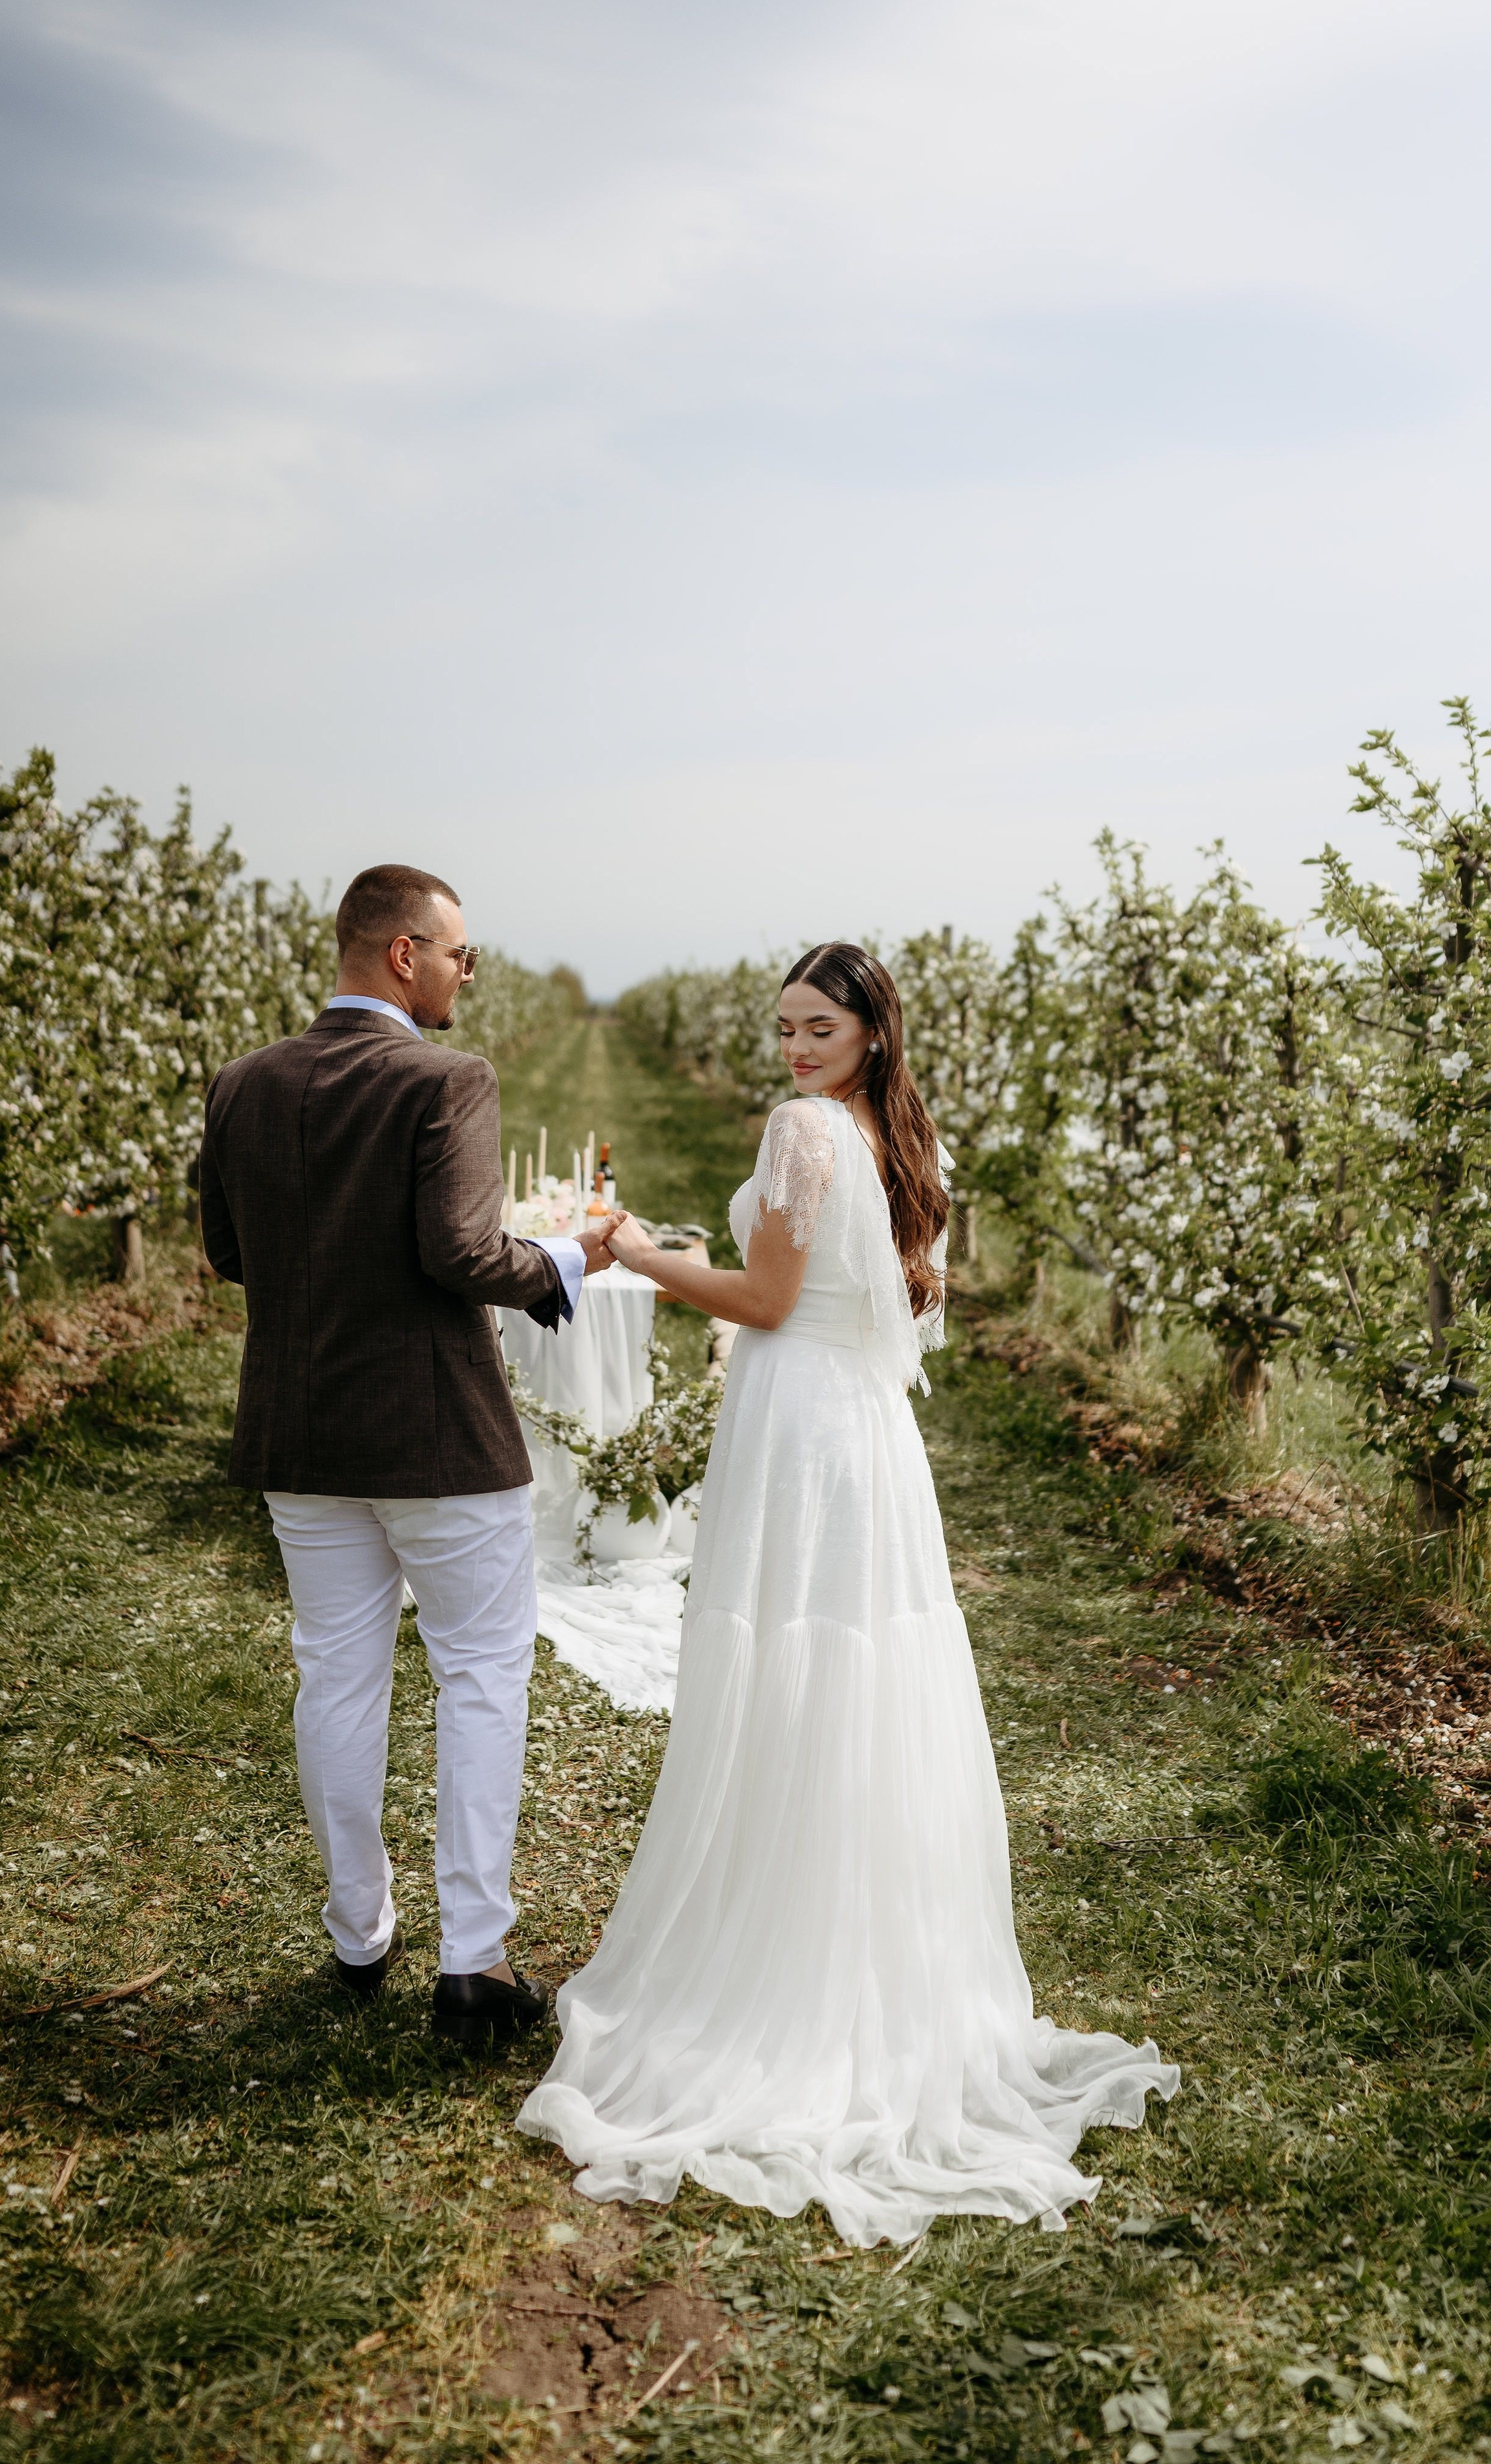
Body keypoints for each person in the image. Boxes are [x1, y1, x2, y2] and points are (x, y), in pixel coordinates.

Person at [518, 941, 1178, 2244]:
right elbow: (868, 1299)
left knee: (798, 1657)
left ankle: (783, 1959)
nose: (792, 1046)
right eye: (780, 1030)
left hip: (803, 1427)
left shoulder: (806, 1131)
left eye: (815, 1025)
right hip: (862, 1432)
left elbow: (763, 1296)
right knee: (851, 1663)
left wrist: (633, 1248)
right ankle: (861, 1939)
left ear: (867, 1030)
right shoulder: (889, 1135)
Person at [198, 863, 617, 2045]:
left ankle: (356, 1934)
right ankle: (473, 1971)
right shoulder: (446, 1080)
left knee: (336, 1672)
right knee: (480, 1675)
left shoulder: (242, 1084)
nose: (465, 974)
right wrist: (569, 1264)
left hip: (300, 1430)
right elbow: (464, 1254)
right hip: (438, 1437)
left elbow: (229, 1249)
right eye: (460, 954)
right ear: (403, 954)